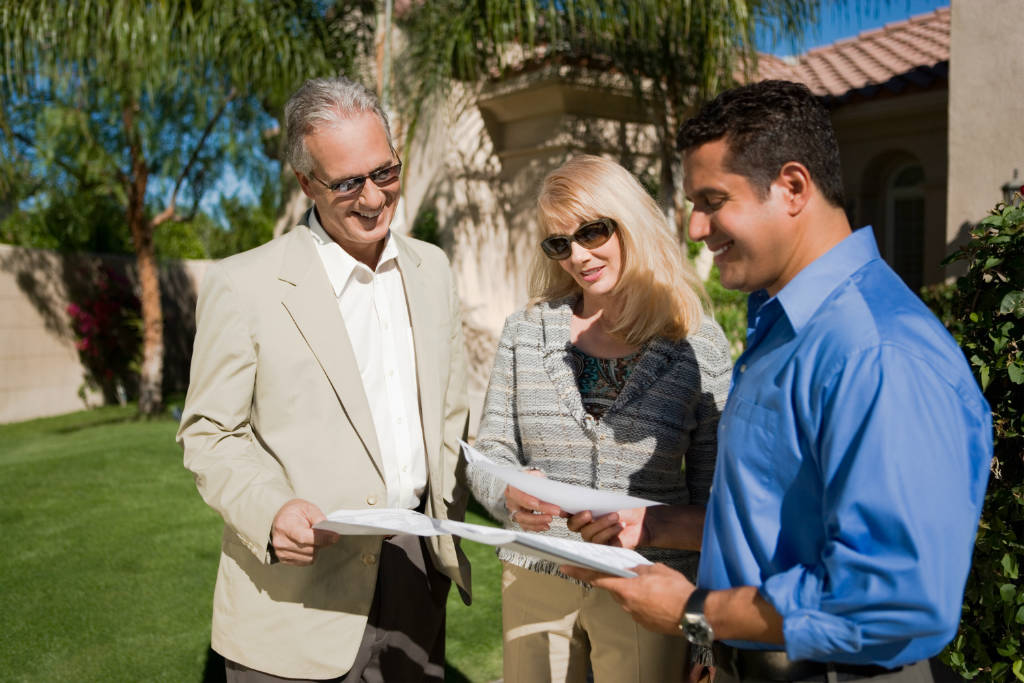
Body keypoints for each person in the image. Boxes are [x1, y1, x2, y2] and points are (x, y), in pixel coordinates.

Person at [562, 80, 993, 683]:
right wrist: (656, 525)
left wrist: (694, 613)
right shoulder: (786, 323)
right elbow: (783, 520)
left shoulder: (877, 352)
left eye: (713, 199)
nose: (695, 227)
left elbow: (889, 599)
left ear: (792, 187)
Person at [176, 76, 471, 682]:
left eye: (385, 173)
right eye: (347, 183)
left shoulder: (433, 269)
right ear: (305, 182)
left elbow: (449, 420)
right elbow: (210, 433)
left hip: (417, 577)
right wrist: (270, 510)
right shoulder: (243, 284)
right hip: (293, 601)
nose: (373, 198)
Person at [466, 154, 733, 682]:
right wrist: (508, 492)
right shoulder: (526, 331)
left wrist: (705, 638)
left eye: (592, 232)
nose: (579, 256)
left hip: (648, 583)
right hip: (536, 574)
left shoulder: (698, 344)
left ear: (628, 220)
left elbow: (715, 502)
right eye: (560, 243)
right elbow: (488, 453)